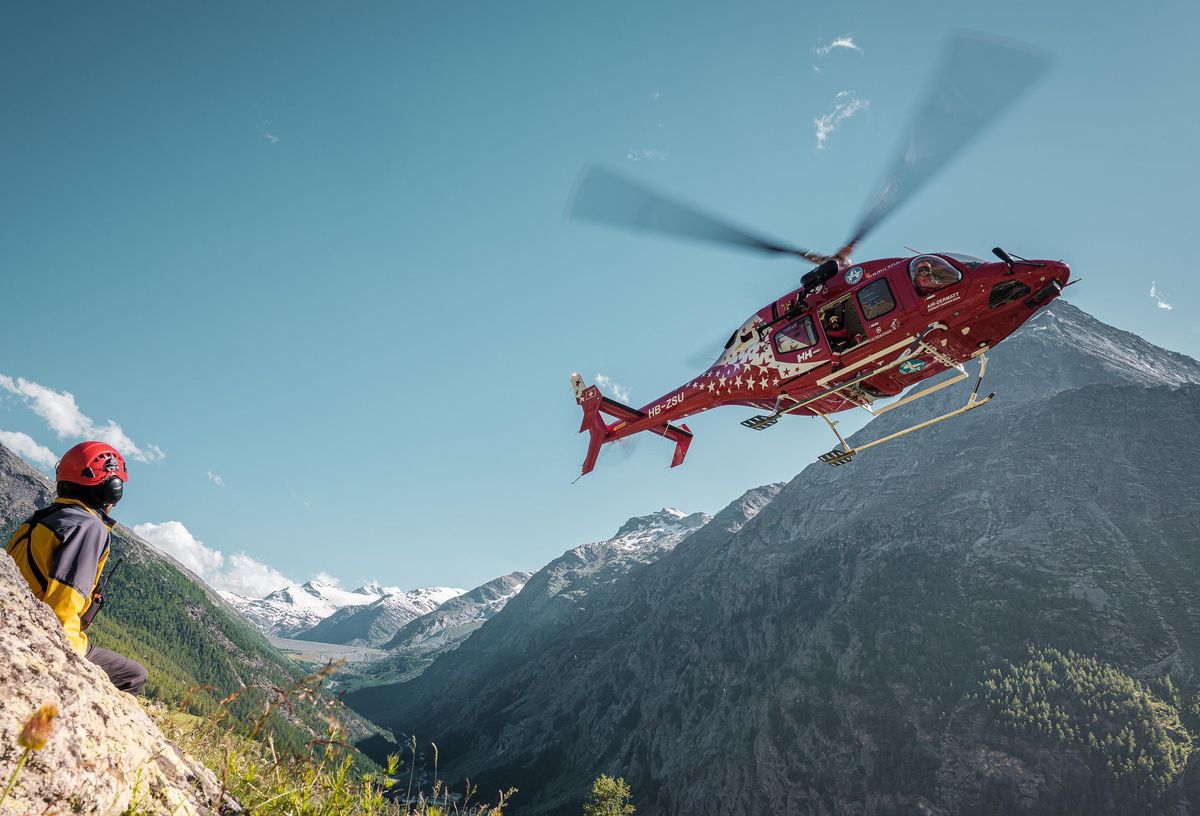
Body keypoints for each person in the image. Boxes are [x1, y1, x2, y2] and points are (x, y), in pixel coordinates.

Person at [6, 441, 148, 695]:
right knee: (134, 675)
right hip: (44, 638)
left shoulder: (44, 518)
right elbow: (63, 605)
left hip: (17, 624)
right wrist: (71, 663)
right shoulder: (87, 527)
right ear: (112, 490)